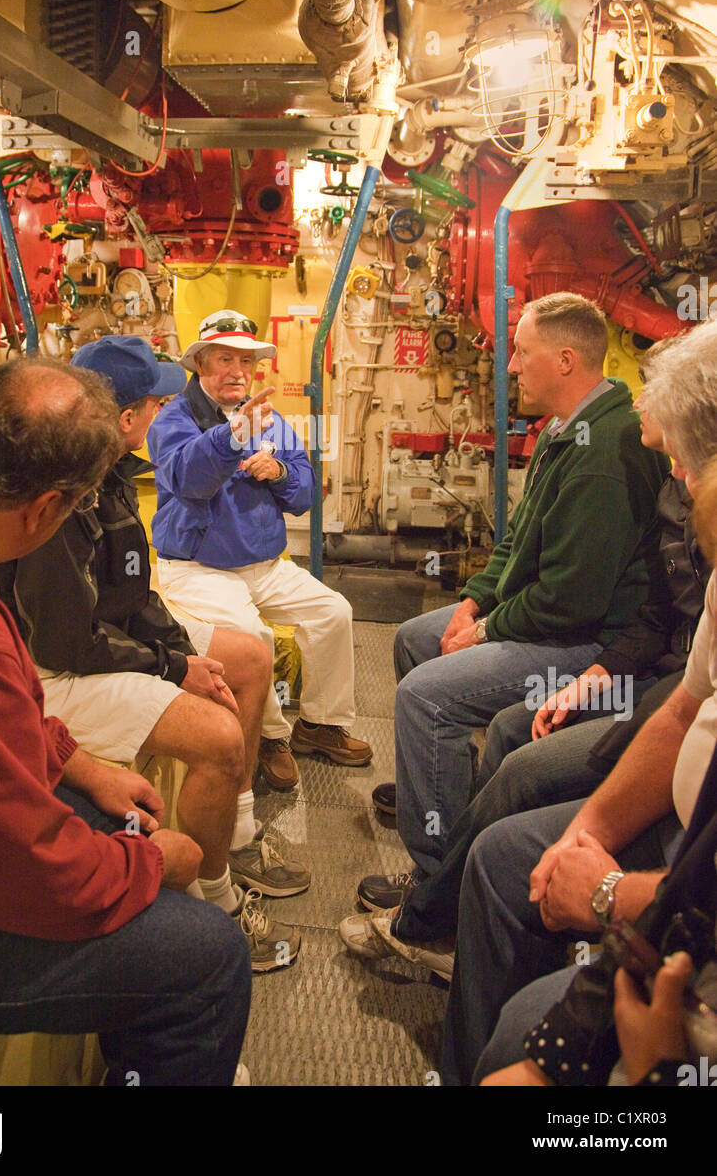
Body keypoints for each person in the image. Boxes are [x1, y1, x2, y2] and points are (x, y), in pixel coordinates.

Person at [0, 357, 251, 1086]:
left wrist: (85, 765)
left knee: (109, 824)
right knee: (205, 957)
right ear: (43, 509)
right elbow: (24, 869)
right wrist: (159, 861)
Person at [339, 339, 706, 966]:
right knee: (416, 639)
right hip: (621, 659)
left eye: (521, 352)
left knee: (433, 700)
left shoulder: (606, 457)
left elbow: (574, 601)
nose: (508, 367)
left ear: (565, 359)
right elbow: (516, 543)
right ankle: (443, 818)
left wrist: (491, 632)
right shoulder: (571, 435)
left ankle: (439, 886)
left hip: (594, 643)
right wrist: (474, 603)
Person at [437, 317, 717, 1084]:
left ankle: (434, 911)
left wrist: (604, 890)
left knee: (514, 750)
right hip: (638, 677)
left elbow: (572, 599)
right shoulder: (665, 495)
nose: (679, 483)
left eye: (686, 464)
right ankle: (446, 913)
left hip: (636, 706)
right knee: (509, 824)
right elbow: (675, 664)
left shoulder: (605, 457)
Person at [0, 337, 307, 973]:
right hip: (55, 674)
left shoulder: (108, 481)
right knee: (219, 735)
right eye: (156, 400)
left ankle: (236, 831)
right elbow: (68, 641)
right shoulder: (64, 496)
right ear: (123, 416)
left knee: (246, 659)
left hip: (103, 646)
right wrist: (172, 666)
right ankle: (215, 905)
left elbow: (133, 598)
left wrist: (178, 653)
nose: (167, 408)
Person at [147, 309, 372, 790]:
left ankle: (320, 725)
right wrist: (230, 437)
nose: (238, 371)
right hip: (197, 566)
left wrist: (281, 473)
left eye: (246, 362)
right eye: (225, 358)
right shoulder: (171, 420)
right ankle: (271, 736)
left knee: (333, 612)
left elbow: (305, 491)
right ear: (200, 365)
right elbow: (187, 479)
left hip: (265, 563)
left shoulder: (269, 418)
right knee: (256, 639)